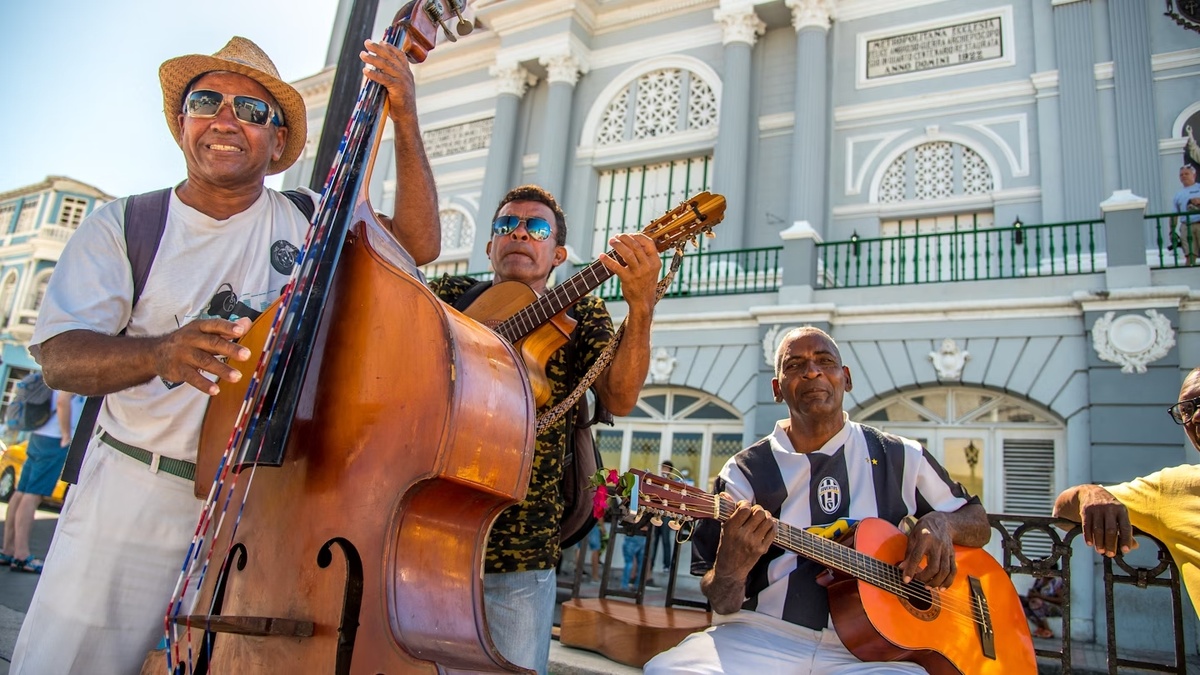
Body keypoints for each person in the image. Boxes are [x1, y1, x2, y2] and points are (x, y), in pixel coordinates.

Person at [12, 35, 440, 674]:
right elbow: (60, 358)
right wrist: (160, 354)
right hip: (130, 495)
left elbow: (418, 243)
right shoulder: (124, 225)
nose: (226, 120)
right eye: (206, 101)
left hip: (258, 510)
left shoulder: (311, 220)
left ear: (276, 145)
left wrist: (404, 118)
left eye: (253, 110)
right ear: (183, 124)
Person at [645, 326, 989, 675]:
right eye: (795, 365)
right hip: (761, 635)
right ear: (777, 389)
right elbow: (721, 599)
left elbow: (978, 522)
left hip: (879, 653)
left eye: (825, 361)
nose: (812, 371)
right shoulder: (743, 472)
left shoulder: (901, 457)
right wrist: (732, 569)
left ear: (846, 378)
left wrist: (943, 523)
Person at [429, 184, 660, 674]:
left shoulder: (580, 314)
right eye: (505, 225)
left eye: (535, 228)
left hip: (520, 552)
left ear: (557, 254)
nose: (518, 233)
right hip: (425, 536)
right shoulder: (449, 298)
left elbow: (620, 398)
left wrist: (640, 307)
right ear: (489, 246)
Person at [1053, 366, 1200, 616]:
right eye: (1186, 409)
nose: (1195, 417)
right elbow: (1062, 513)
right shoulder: (1173, 487)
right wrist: (1089, 493)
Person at [1, 390, 83, 573]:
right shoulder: (70, 368)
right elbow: (63, 401)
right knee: (32, 495)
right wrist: (65, 435)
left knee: (21, 491)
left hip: (38, 435)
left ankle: (8, 550)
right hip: (54, 440)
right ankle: (21, 555)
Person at [1020, 573, 1065, 639]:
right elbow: (1033, 593)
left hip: (1055, 607)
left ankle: (1047, 630)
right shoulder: (1039, 580)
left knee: (1036, 602)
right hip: (1038, 605)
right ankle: (1040, 627)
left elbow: (1061, 600)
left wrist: (1039, 596)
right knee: (1021, 603)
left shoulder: (1057, 582)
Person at [1171, 164, 1200, 265]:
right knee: (1190, 255)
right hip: (1186, 226)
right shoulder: (1178, 194)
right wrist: (1172, 231)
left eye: (1186, 174)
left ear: (1194, 175)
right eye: (1181, 175)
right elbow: (1174, 214)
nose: (1183, 176)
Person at [651, 459, 675, 575]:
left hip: (666, 515)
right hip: (657, 513)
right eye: (663, 468)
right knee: (654, 540)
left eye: (666, 468)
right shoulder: (657, 482)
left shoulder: (673, 483)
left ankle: (666, 565)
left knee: (666, 539)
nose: (664, 470)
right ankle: (650, 564)